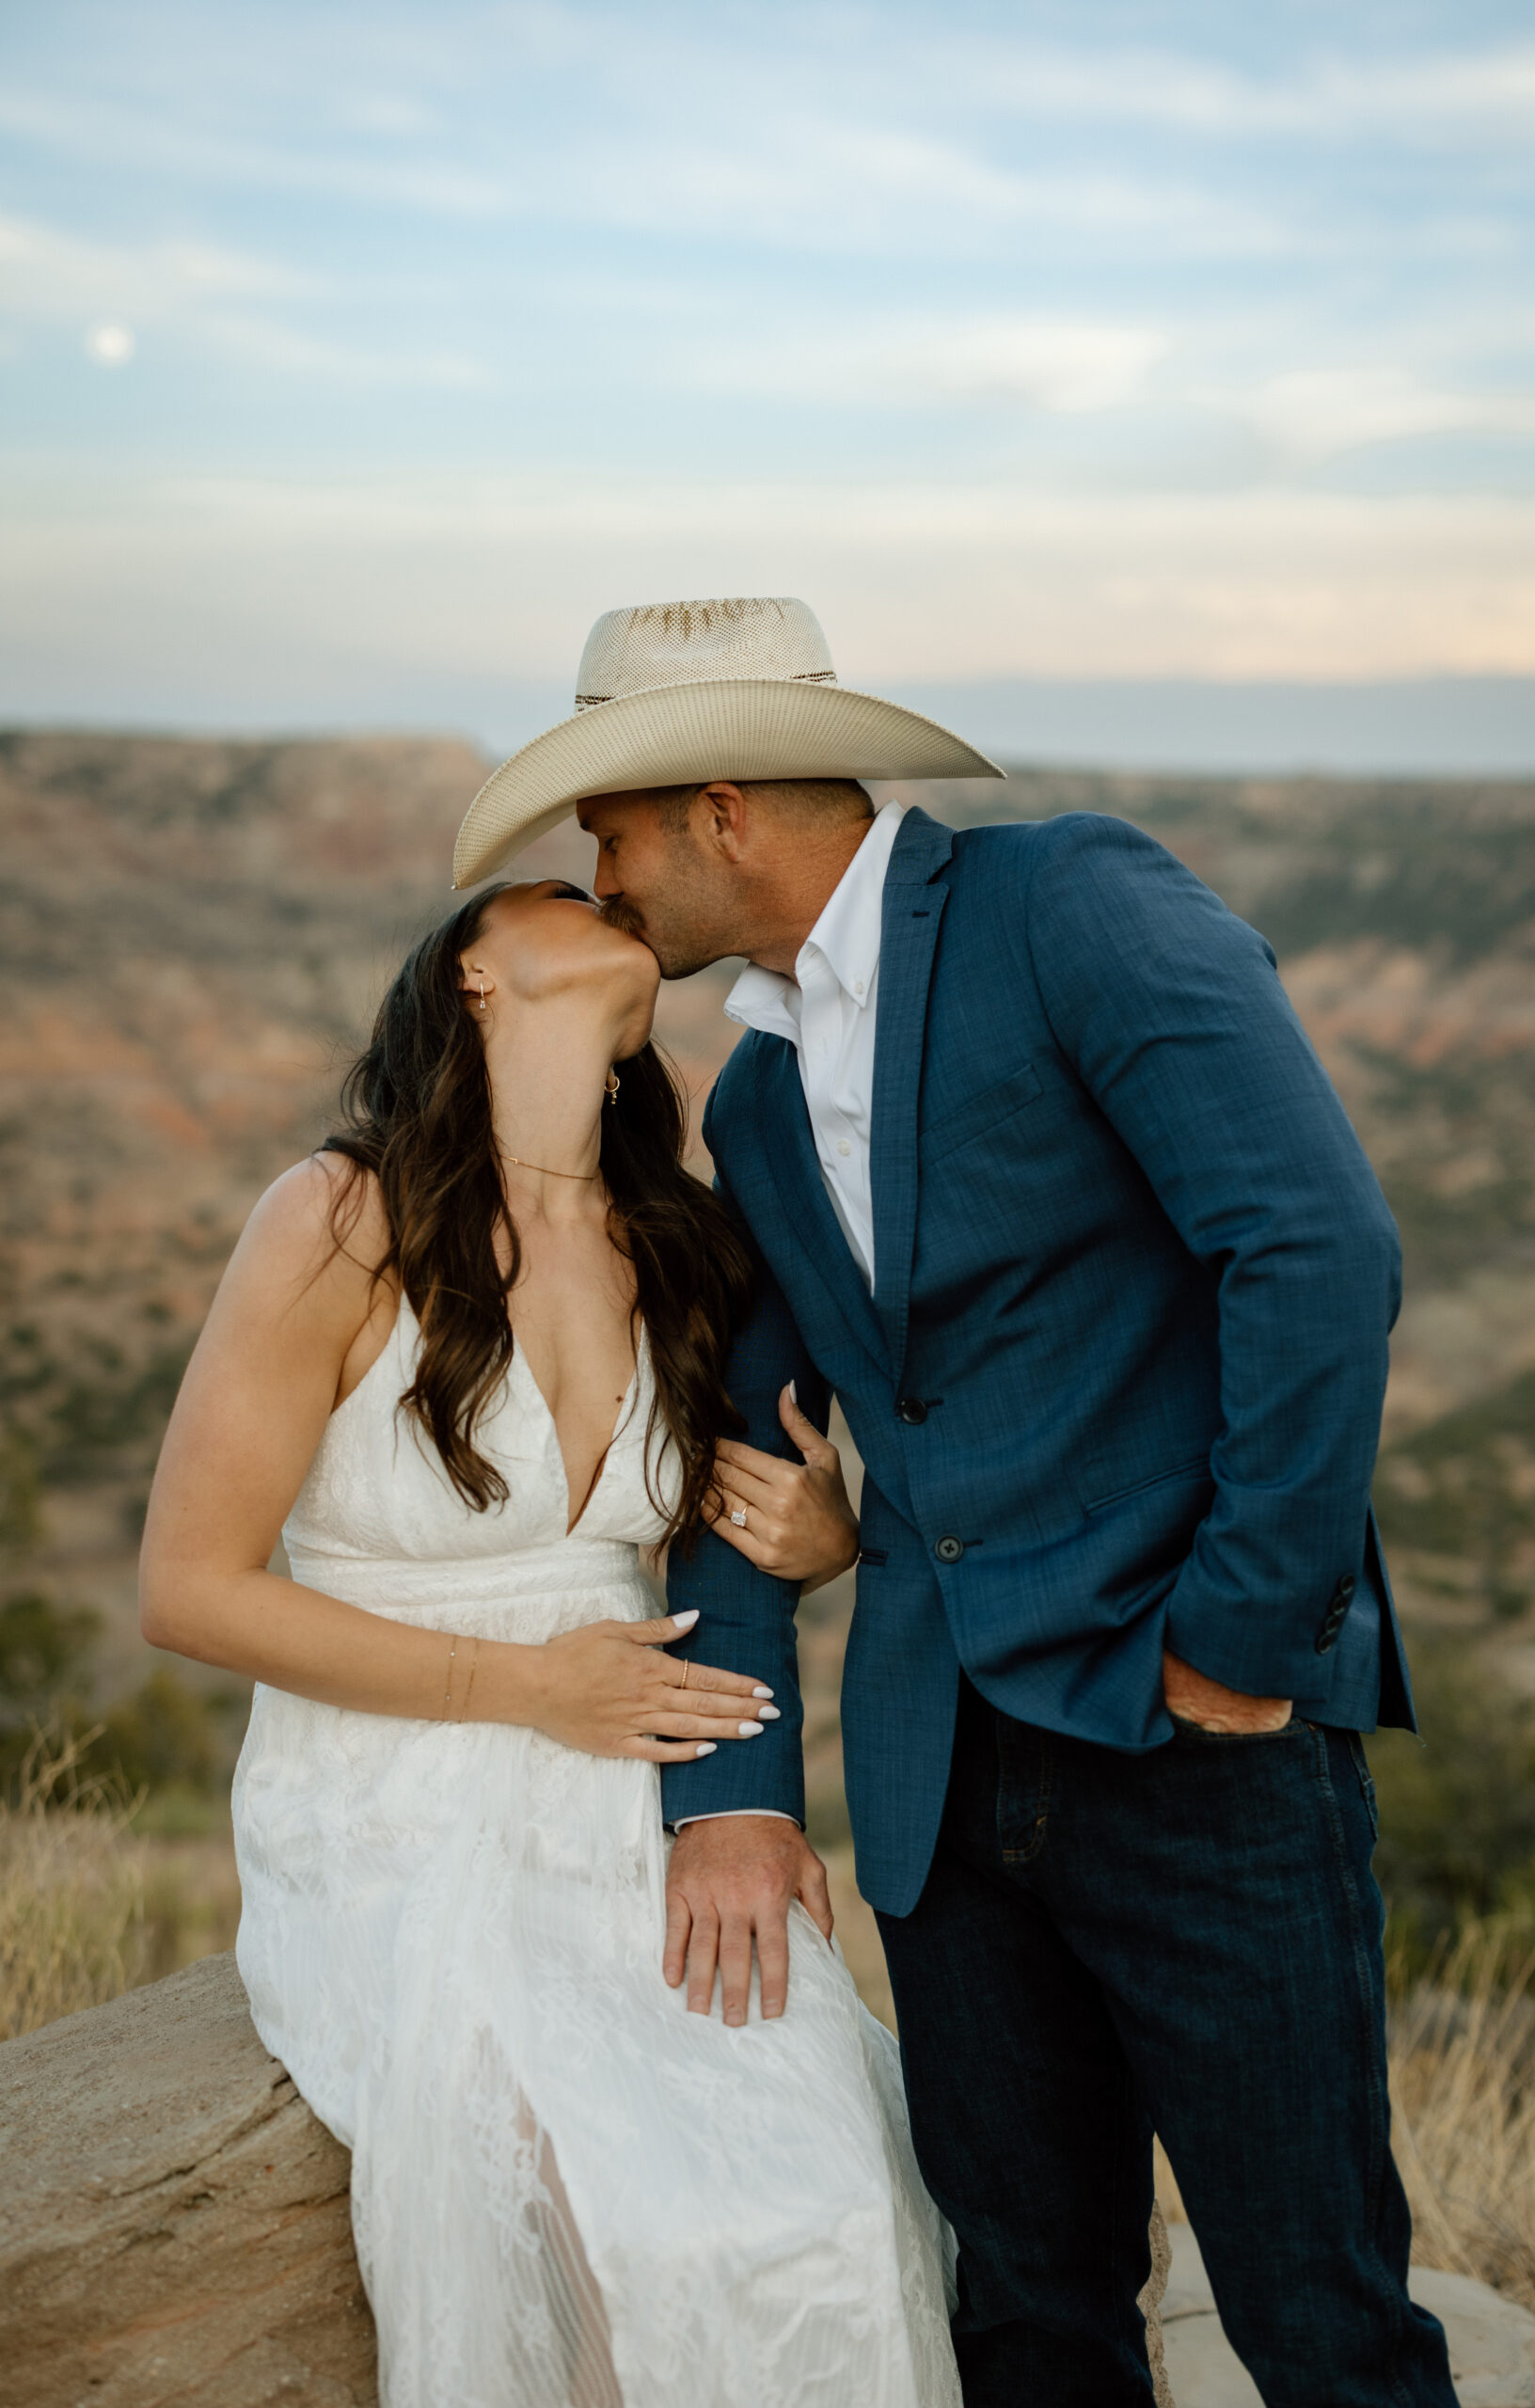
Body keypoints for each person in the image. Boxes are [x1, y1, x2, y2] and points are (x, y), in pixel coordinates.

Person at [451, 594, 1460, 2406]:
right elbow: (726, 1452)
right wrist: (735, 1804)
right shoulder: (753, 1102)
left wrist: (1238, 1644)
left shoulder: (1063, 904)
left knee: (1320, 2320)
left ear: (723, 803)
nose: (601, 877)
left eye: (610, 830)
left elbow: (1313, 1252)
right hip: (941, 1798)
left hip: (1199, 1752)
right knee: (1027, 2315)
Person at [137, 872, 962, 2407]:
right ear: (472, 978)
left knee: (833, 2194)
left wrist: (832, 1543)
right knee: (601, 2223)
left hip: (636, 1783)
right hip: (400, 1794)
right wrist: (519, 1687)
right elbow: (187, 1587)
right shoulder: (340, 1217)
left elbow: (728, 1538)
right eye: (553, 892)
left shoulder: (687, 1244)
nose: (606, 899)